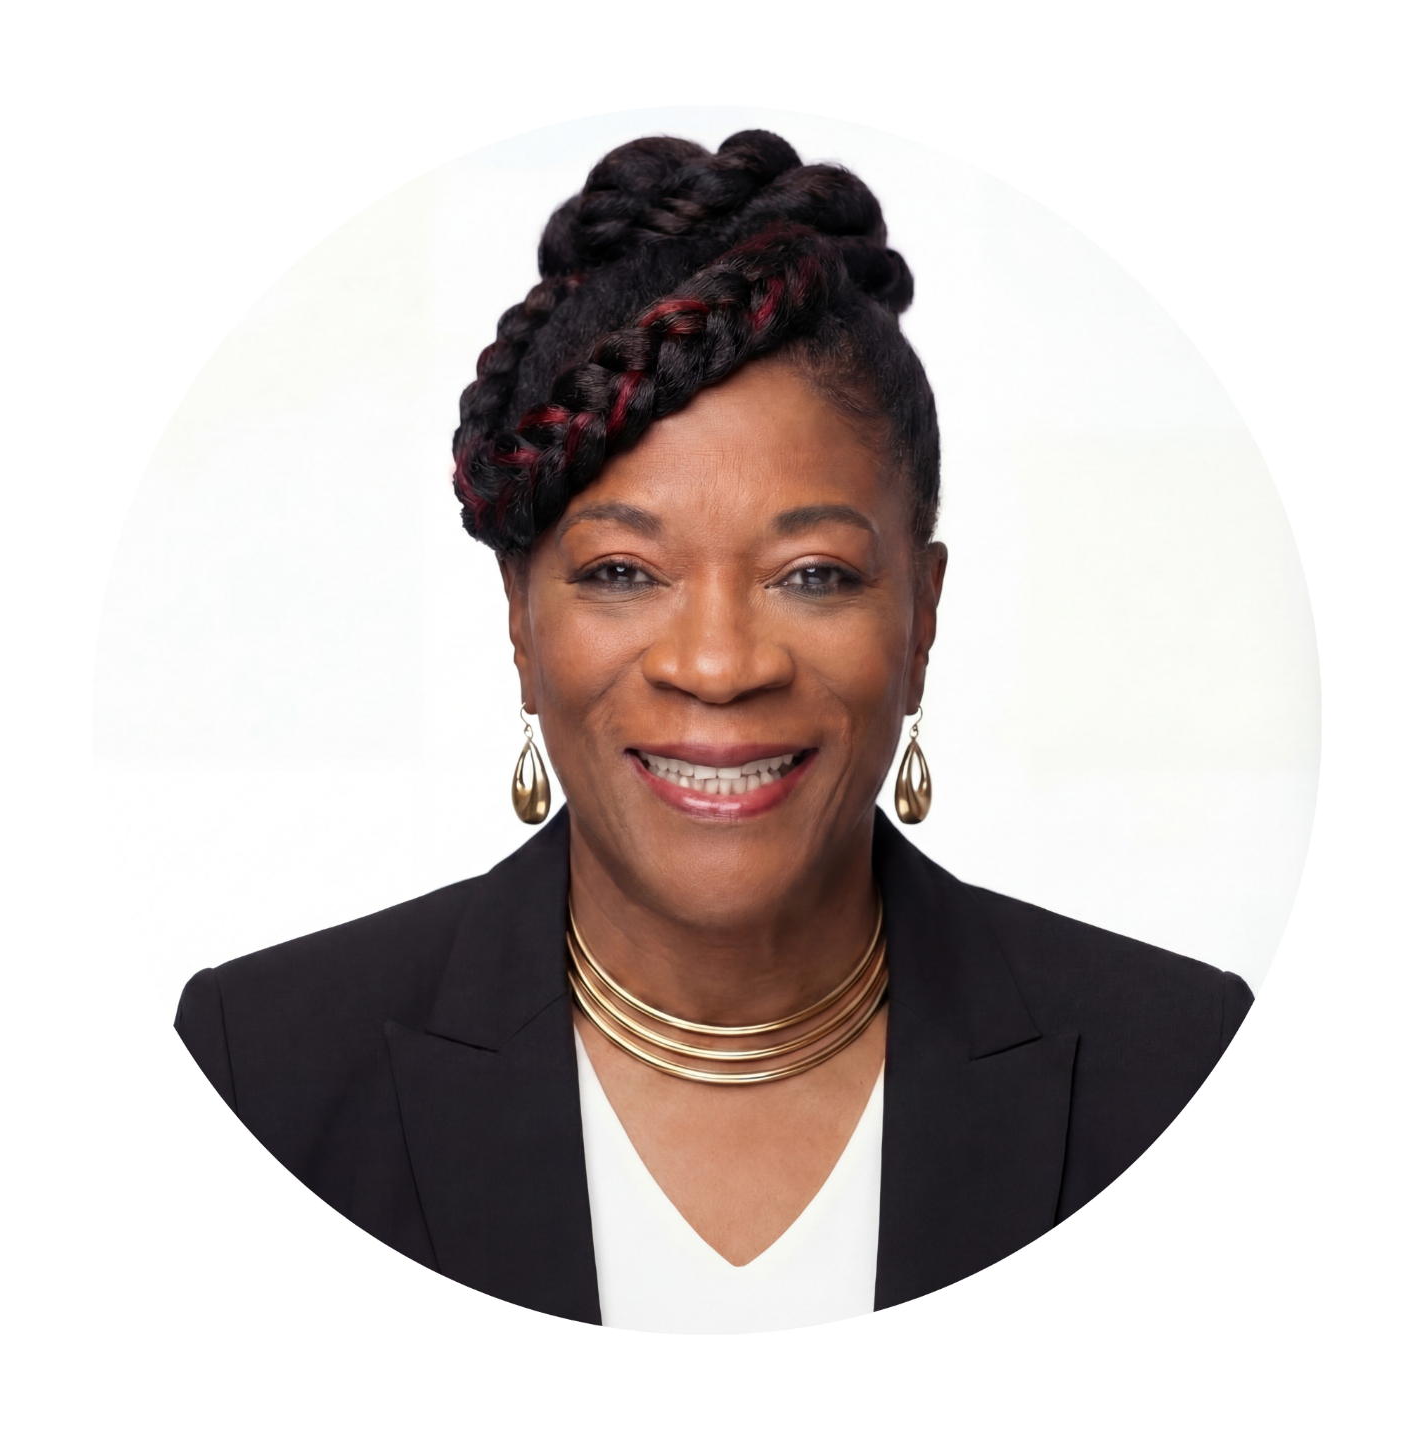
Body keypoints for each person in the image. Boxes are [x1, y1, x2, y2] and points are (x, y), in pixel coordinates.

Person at [174, 131, 1253, 1332]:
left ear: (923, 618)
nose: (720, 666)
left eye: (814, 575)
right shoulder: (263, 1073)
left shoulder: (1174, 1066)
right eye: (624, 572)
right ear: (521, 623)